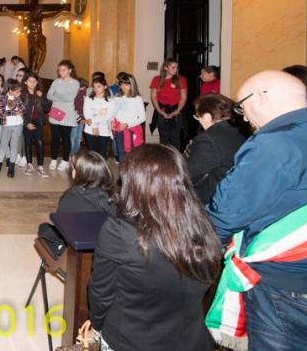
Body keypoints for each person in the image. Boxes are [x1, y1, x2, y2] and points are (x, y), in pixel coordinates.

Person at [208, 71, 307, 350]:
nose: (243, 117)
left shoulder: (272, 145)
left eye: (242, 107)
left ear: (261, 96)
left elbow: (224, 215)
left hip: (285, 288)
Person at [85, 144, 222, 351]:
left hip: (130, 341)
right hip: (191, 340)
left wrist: (96, 326)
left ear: (134, 183)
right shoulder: (203, 225)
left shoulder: (119, 232)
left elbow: (101, 292)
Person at [185, 94, 245, 205]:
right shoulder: (239, 133)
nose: (199, 120)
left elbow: (188, 175)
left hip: (213, 202)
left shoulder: (208, 139)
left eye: (198, 116)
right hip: (235, 196)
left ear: (207, 117)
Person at [57, 150, 117, 214]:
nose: (72, 171)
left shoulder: (69, 198)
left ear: (82, 174)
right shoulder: (111, 199)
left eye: (73, 168)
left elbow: (62, 218)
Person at [47, 60, 80, 171]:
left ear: (69, 70)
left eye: (63, 70)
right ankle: (53, 159)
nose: (60, 72)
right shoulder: (56, 81)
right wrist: (61, 96)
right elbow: (49, 95)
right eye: (59, 70)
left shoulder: (75, 83)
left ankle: (65, 160)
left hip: (67, 114)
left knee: (66, 138)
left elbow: (69, 98)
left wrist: (57, 95)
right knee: (55, 138)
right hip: (55, 112)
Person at [149, 57, 187, 150]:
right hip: (161, 109)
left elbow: (183, 97)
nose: (176, 69)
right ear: (165, 67)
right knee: (164, 136)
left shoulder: (181, 79)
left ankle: (176, 157)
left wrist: (177, 111)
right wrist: (160, 111)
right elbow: (154, 97)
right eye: (173, 67)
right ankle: (164, 157)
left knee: (175, 137)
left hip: (176, 109)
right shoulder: (156, 79)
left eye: (176, 67)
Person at [22, 71, 52, 178]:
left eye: (34, 81)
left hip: (38, 121)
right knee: (28, 143)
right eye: (29, 81)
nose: (32, 83)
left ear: (37, 82)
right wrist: (26, 123)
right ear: (25, 82)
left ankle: (40, 167)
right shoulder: (22, 94)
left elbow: (47, 108)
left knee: (40, 143)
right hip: (26, 121)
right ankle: (29, 165)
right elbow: (19, 111)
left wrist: (42, 96)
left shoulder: (40, 93)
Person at [0, 79, 25, 178]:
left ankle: (11, 167)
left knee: (14, 146)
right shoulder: (2, 97)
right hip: (7, 125)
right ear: (10, 90)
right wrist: (15, 112)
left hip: (18, 124)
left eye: (20, 91)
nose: (19, 93)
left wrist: (20, 110)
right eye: (17, 91)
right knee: (3, 145)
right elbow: (1, 111)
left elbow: (23, 108)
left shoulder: (17, 97)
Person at [111, 73, 145, 162]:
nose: (123, 87)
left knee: (132, 155)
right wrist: (112, 121)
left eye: (126, 84)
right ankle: (123, 170)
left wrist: (127, 124)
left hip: (131, 130)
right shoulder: (117, 97)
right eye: (121, 84)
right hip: (119, 129)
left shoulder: (137, 98)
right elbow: (113, 112)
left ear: (132, 84)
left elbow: (142, 117)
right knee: (121, 154)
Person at [83, 76, 117, 157]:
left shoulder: (111, 101)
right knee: (92, 154)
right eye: (94, 86)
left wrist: (95, 123)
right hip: (90, 129)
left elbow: (108, 116)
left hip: (104, 130)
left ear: (105, 87)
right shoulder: (88, 99)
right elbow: (87, 113)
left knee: (102, 154)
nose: (96, 89)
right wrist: (94, 126)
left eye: (99, 86)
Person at [68, 78, 88, 160]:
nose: (83, 89)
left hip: (82, 119)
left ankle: (75, 154)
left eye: (84, 87)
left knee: (79, 137)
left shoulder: (86, 93)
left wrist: (84, 118)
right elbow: (71, 108)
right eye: (82, 87)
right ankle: (71, 155)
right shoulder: (74, 93)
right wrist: (79, 118)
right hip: (74, 119)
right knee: (73, 137)